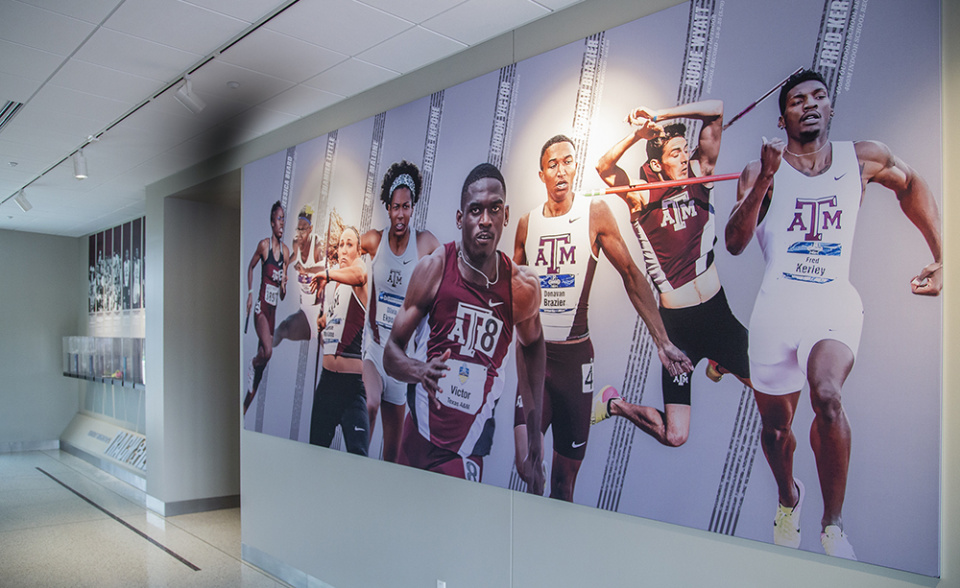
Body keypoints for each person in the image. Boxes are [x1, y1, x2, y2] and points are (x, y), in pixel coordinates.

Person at [724, 69, 942, 559]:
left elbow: (911, 185)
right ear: (783, 118)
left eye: (819, 96)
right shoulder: (758, 173)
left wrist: (942, 254)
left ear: (831, 108)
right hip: (776, 312)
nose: (810, 104)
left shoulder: (861, 158)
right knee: (777, 430)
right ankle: (788, 499)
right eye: (798, 100)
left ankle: (833, 526)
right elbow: (736, 243)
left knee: (827, 395)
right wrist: (767, 179)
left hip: (832, 304)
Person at [513, 134, 692, 501]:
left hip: (576, 363)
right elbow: (510, 296)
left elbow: (630, 274)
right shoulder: (526, 225)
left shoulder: (595, 214)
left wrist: (663, 341)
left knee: (565, 484)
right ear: (541, 174)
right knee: (526, 465)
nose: (561, 171)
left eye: (568, 162)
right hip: (536, 359)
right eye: (552, 164)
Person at [593, 100, 752, 447]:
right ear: (656, 163)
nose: (683, 158)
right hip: (678, 329)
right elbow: (604, 167)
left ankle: (720, 362)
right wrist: (639, 134)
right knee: (675, 435)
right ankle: (615, 405)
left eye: (684, 151)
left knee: (768, 384)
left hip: (718, 315)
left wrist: (660, 116)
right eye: (675, 153)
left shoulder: (700, 174)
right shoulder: (641, 196)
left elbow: (717, 112)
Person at [383, 163, 546, 494]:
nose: (485, 220)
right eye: (475, 210)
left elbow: (533, 348)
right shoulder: (433, 270)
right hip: (418, 435)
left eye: (494, 208)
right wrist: (419, 370)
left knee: (453, 538)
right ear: (461, 219)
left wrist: (535, 436)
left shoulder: (522, 288)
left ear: (506, 215)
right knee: (400, 529)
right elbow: (390, 353)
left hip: (467, 448)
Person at [360, 162, 440, 462]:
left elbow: (452, 265)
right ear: (387, 207)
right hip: (374, 351)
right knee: (368, 404)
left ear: (413, 207)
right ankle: (354, 474)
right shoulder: (373, 240)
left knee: (391, 455)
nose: (401, 215)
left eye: (406, 207)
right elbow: (346, 255)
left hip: (402, 361)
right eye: (395, 207)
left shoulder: (424, 243)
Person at [308, 225, 370, 456]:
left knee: (358, 453)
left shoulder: (358, 270)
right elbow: (338, 328)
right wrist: (324, 322)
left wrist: (327, 273)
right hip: (326, 385)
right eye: (340, 244)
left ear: (358, 251)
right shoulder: (338, 287)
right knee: (316, 454)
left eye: (349, 244)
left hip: (350, 388)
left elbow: (360, 276)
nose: (343, 250)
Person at [244, 201, 289, 415]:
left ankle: (243, 409)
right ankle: (252, 363)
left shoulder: (286, 253)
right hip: (261, 309)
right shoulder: (264, 246)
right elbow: (250, 268)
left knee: (261, 371)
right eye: (279, 219)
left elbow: (282, 294)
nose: (282, 223)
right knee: (267, 353)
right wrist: (250, 295)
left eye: (283, 220)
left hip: (273, 312)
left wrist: (284, 285)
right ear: (272, 223)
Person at [273, 205, 325, 347]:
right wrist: (284, 265)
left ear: (311, 229)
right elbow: (294, 256)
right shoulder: (296, 243)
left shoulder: (318, 244)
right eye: (298, 228)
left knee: (331, 357)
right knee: (282, 329)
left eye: (304, 229)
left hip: (321, 310)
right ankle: (258, 360)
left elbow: (326, 268)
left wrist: (306, 270)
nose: (300, 233)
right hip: (306, 313)